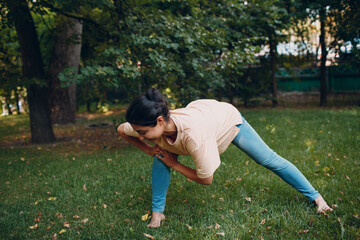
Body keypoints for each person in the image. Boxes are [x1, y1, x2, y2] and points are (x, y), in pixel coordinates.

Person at [117, 88, 332, 228]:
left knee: (268, 159)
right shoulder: (149, 124)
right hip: (201, 113)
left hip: (226, 121)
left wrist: (174, 163)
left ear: (160, 121)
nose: (140, 135)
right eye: (139, 132)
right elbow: (121, 130)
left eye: (142, 132)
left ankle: (317, 197)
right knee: (160, 157)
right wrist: (148, 149)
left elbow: (206, 179)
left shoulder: (194, 136)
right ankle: (158, 214)